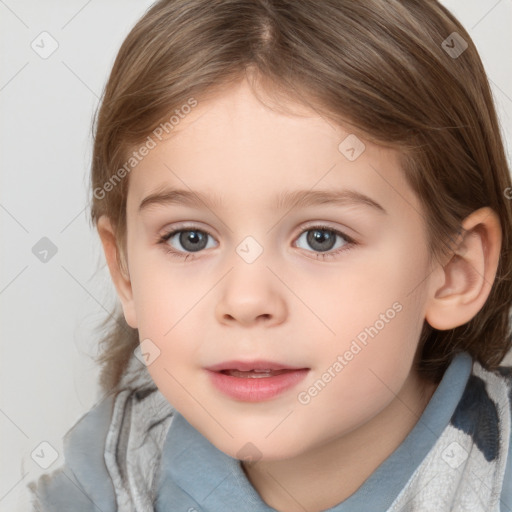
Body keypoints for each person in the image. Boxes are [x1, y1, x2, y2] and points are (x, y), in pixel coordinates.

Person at [28, 0, 512, 510]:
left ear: (456, 271)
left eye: (321, 238)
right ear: (125, 272)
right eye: (190, 238)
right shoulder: (106, 480)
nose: (245, 299)